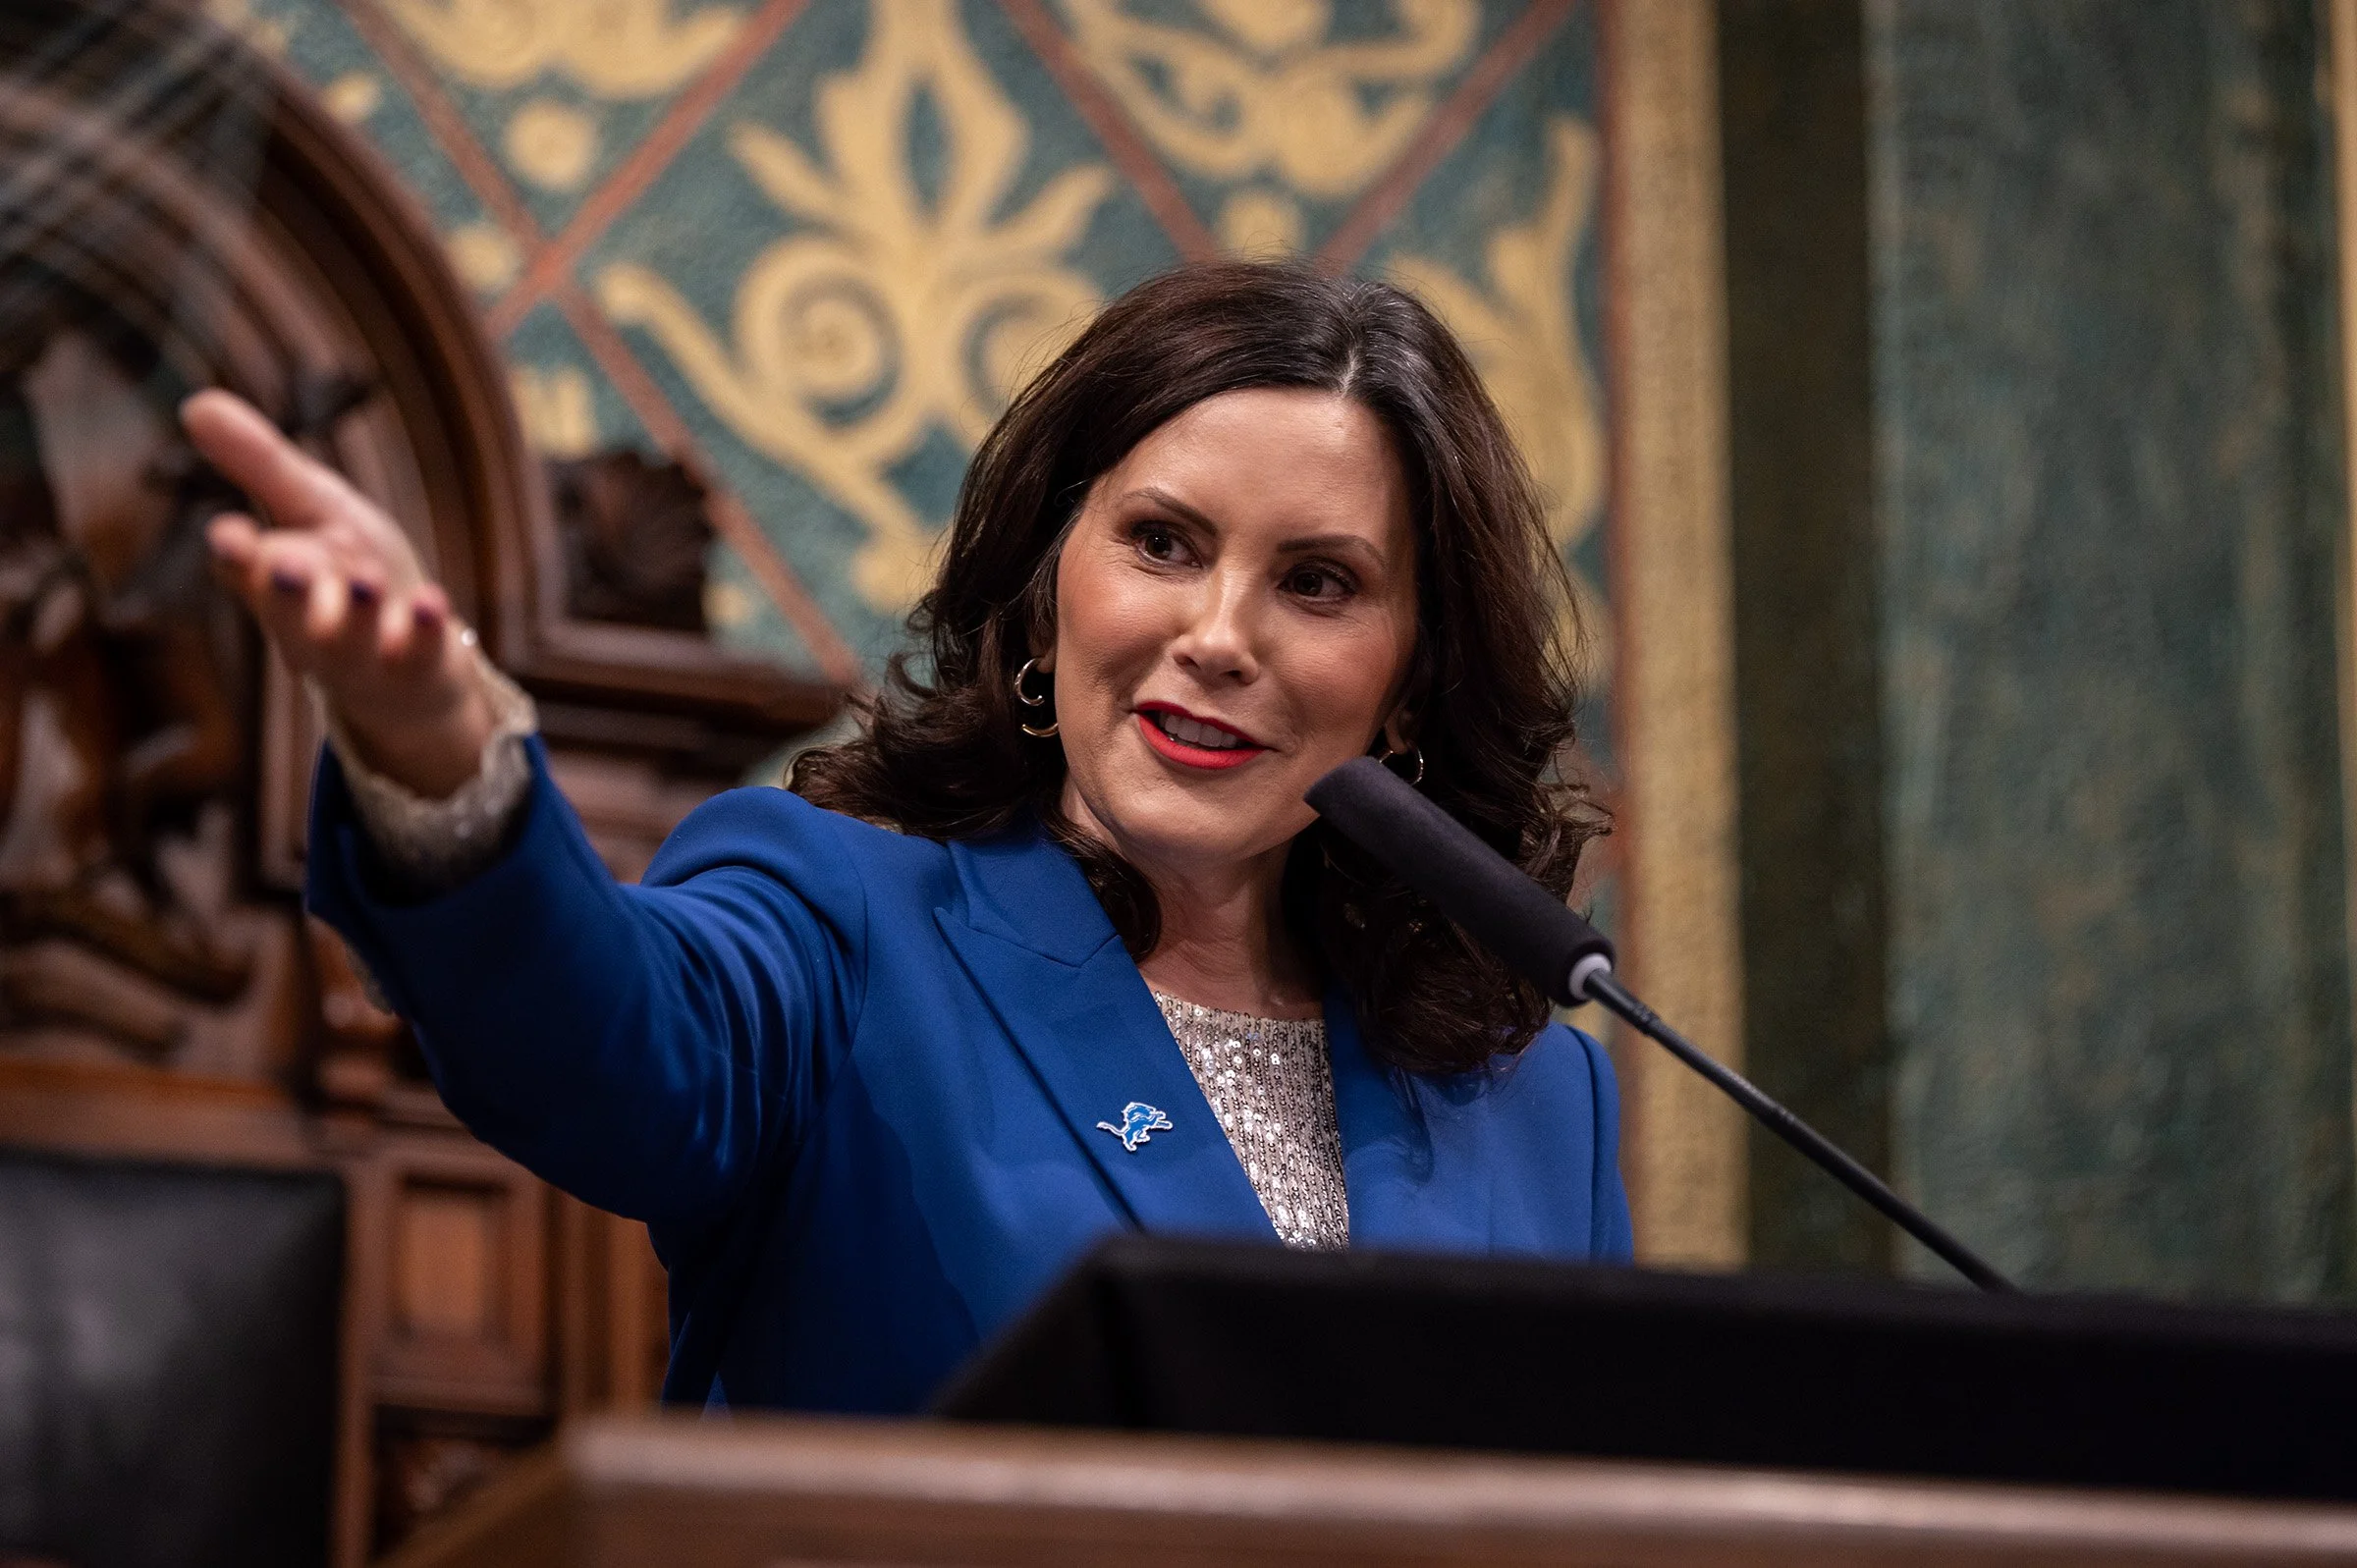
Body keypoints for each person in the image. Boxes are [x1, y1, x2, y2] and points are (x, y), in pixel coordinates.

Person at [180, 261, 1633, 1415]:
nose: (1218, 637)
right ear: (1050, 581)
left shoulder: (1540, 1107)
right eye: (1163, 543)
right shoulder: (846, 922)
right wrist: (441, 752)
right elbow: (599, 1044)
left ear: (1405, 686)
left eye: (1317, 584)